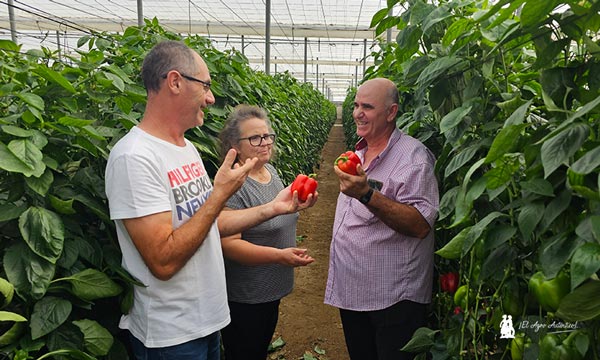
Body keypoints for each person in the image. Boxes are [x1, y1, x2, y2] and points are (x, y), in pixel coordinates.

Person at [105, 40, 259, 360]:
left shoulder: (184, 148)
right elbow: (163, 260)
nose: (211, 97)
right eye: (205, 86)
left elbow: (207, 223)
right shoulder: (134, 158)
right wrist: (219, 194)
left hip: (205, 321)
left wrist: (276, 207)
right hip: (170, 336)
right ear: (175, 82)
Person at [325, 77, 439, 360]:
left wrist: (366, 194)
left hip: (393, 297)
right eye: (355, 105)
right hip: (354, 290)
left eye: (367, 106)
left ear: (391, 112)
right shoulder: (359, 152)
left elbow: (420, 224)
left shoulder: (413, 158)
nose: (357, 113)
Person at [217, 104, 316, 360]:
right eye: (255, 138)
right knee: (245, 351)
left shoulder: (269, 171)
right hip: (247, 296)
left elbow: (276, 214)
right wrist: (279, 256)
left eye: (268, 135)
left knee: (258, 347)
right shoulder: (234, 184)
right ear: (234, 145)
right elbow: (229, 245)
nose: (265, 143)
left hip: (270, 290)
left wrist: (296, 207)